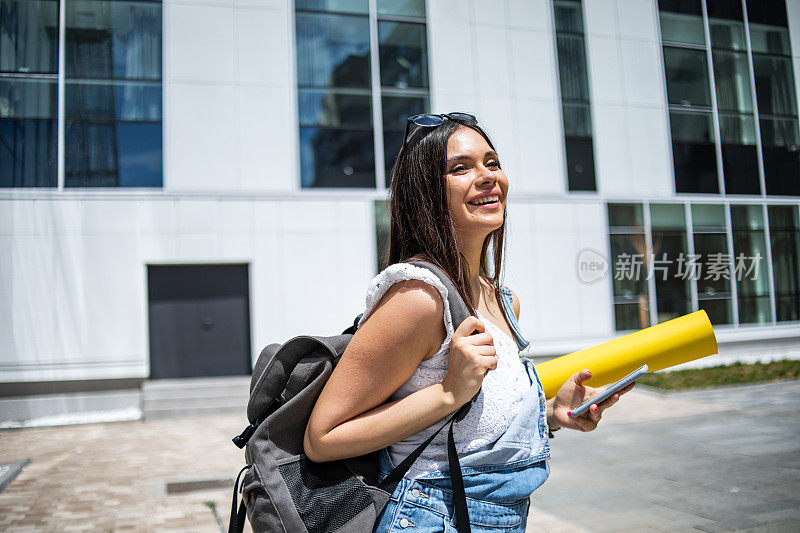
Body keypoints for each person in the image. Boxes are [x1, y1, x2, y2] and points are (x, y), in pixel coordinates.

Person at [303, 113, 635, 532]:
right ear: (426, 194)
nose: (486, 177)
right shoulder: (419, 298)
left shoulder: (502, 299)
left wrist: (552, 414)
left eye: (492, 163)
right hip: (431, 518)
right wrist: (448, 393)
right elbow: (323, 438)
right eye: (461, 168)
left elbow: (473, 433)